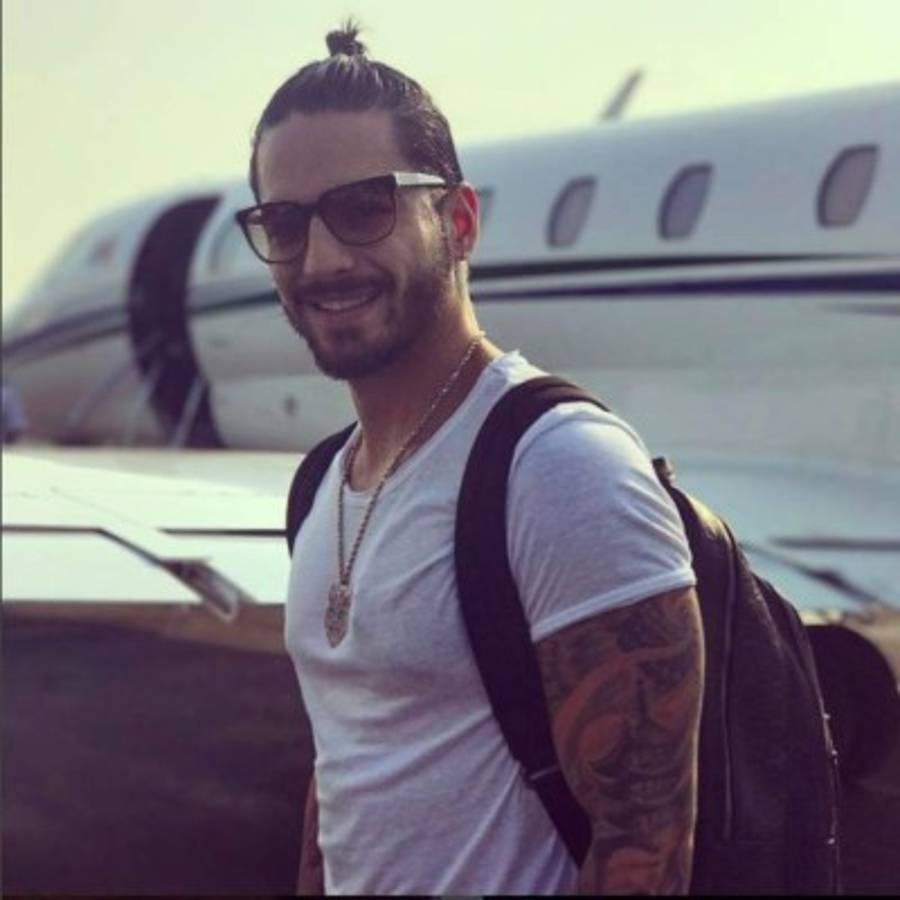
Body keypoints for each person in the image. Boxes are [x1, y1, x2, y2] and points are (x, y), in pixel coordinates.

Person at [239, 22, 704, 896]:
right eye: (286, 223)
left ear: (457, 221)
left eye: (365, 208)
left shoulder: (559, 467)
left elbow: (646, 846)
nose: (323, 259)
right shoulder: (323, 484)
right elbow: (346, 776)